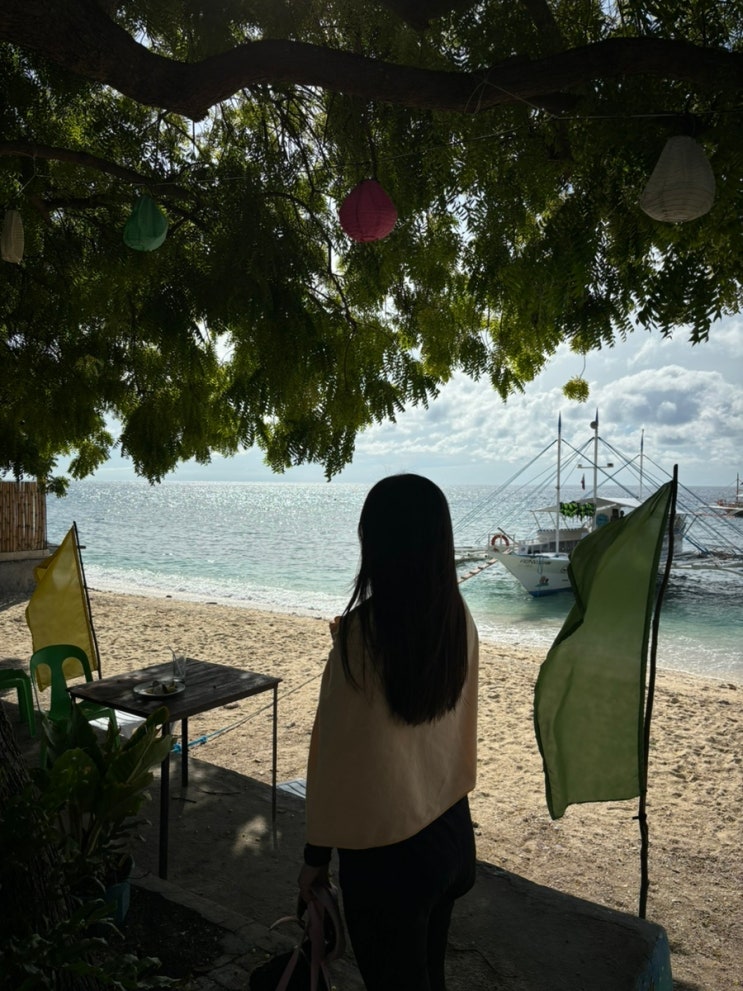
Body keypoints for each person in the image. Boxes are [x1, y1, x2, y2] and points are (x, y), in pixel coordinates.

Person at [298, 473, 479, 990]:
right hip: (451, 832)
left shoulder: (363, 636)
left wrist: (315, 859)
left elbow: (334, 762)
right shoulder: (456, 617)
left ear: (377, 545)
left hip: (389, 857)